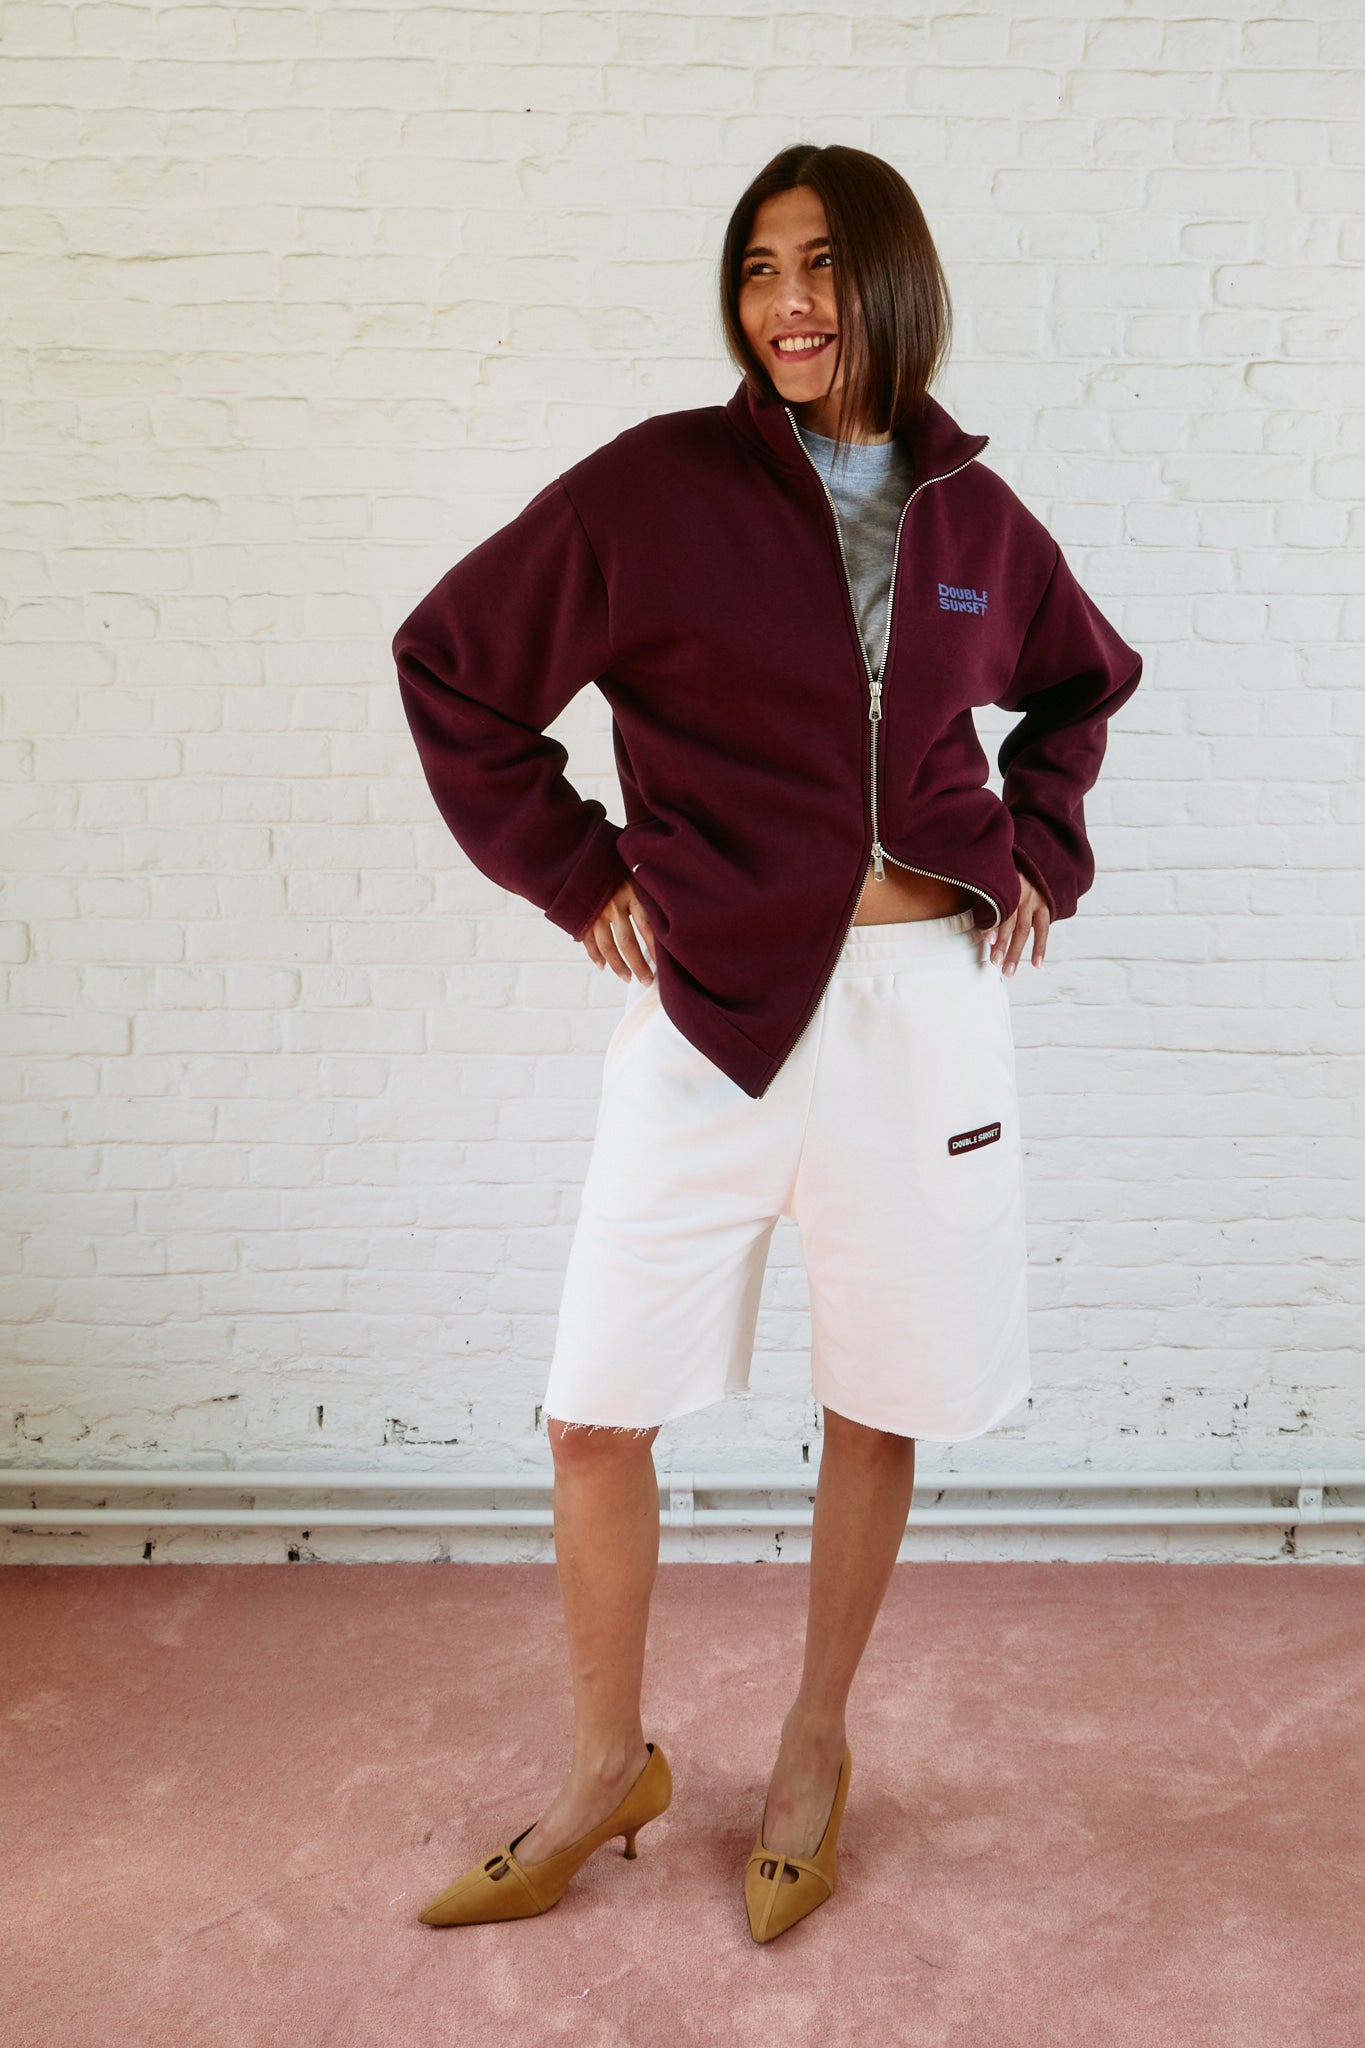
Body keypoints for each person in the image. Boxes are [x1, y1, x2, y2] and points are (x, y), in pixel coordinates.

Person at [392, 142, 1142, 1944]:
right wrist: (578, 871)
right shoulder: (652, 488)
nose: (787, 303)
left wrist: (1038, 852)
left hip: (923, 1017)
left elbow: (1081, 683)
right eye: (756, 269)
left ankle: (813, 1749)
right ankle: (606, 1767)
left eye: (817, 266)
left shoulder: (974, 519)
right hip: (707, 1017)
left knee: (877, 1398)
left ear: (891, 283)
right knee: (594, 1413)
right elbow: (451, 664)